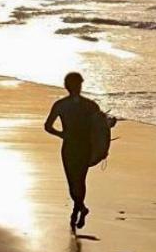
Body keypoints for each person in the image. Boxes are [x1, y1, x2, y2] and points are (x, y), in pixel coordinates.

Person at [45, 72, 108, 230]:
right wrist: (61, 134)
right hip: (72, 147)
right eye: (75, 85)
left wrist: (102, 149)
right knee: (73, 182)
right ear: (68, 86)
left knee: (78, 180)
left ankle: (77, 208)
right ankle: (80, 207)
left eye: (78, 84)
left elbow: (101, 128)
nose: (77, 87)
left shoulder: (86, 105)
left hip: (81, 147)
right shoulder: (79, 105)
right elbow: (47, 126)